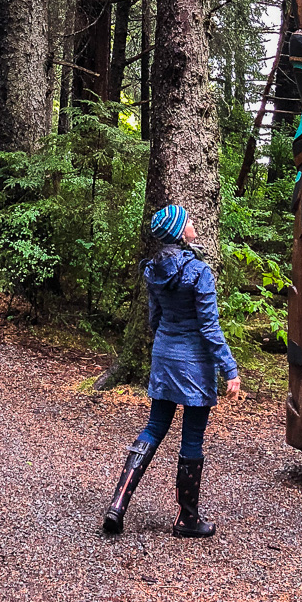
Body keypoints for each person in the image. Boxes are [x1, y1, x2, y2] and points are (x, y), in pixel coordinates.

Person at [103, 204, 240, 539]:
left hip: (164, 355)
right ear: (180, 232)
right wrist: (230, 370)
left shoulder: (152, 270)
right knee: (191, 438)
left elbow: (154, 319)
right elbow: (209, 328)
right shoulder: (199, 272)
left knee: (154, 427)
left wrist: (167, 341)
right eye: (189, 221)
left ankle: (118, 505)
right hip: (194, 363)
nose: (194, 224)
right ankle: (187, 519)